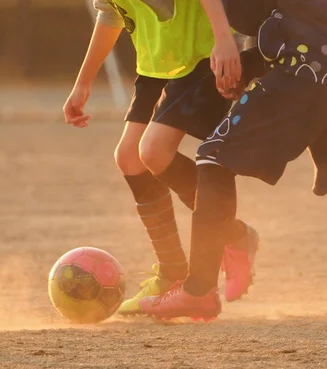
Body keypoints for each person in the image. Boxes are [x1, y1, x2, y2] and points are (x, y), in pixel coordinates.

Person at [140, 0, 327, 320]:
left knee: (213, 159)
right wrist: (250, 63)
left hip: (307, 64)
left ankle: (198, 291)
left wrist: (225, 42)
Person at [62, 0, 266, 314]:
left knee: (154, 152)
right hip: (158, 63)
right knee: (130, 158)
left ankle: (228, 241)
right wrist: (83, 82)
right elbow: (111, 13)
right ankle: (176, 268)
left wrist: (225, 41)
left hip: (203, 54)